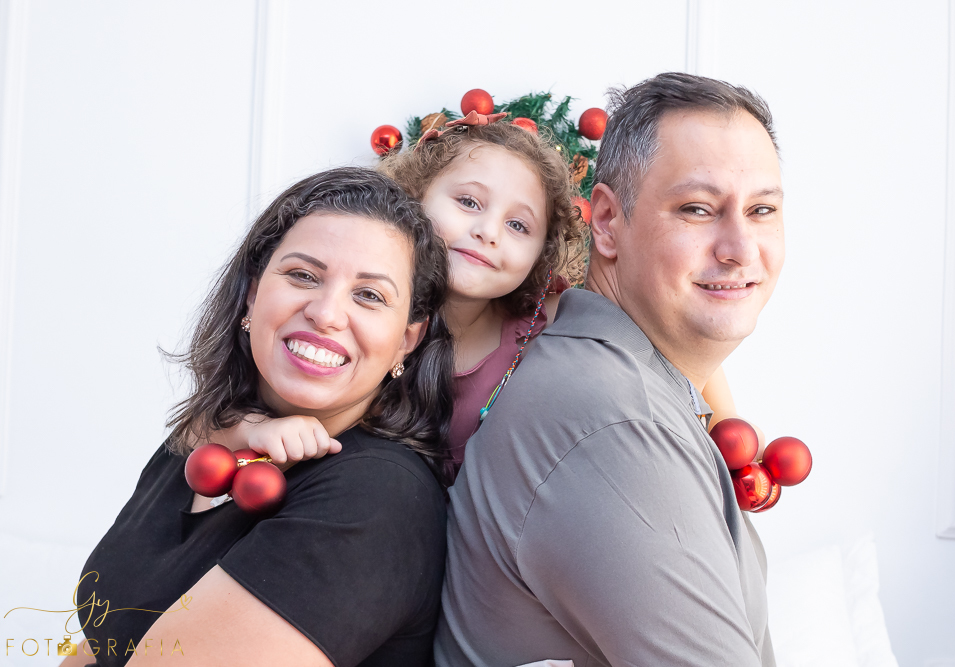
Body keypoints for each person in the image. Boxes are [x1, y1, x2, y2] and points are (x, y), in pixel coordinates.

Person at [434, 72, 785, 666]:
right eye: (698, 209)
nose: (740, 248)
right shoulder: (618, 422)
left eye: (762, 210)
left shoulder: (633, 381)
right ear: (604, 221)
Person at [61, 167, 453, 667]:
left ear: (405, 340)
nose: (327, 313)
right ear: (251, 294)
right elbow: (101, 641)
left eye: (369, 295)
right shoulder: (206, 438)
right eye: (303, 275)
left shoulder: (376, 497)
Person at [222, 113, 749, 481]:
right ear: (414, 199)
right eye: (468, 201)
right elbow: (213, 412)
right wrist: (258, 429)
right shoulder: (351, 328)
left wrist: (731, 432)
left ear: (541, 255)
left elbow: (662, 342)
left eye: (518, 225)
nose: (487, 232)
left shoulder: (550, 320)